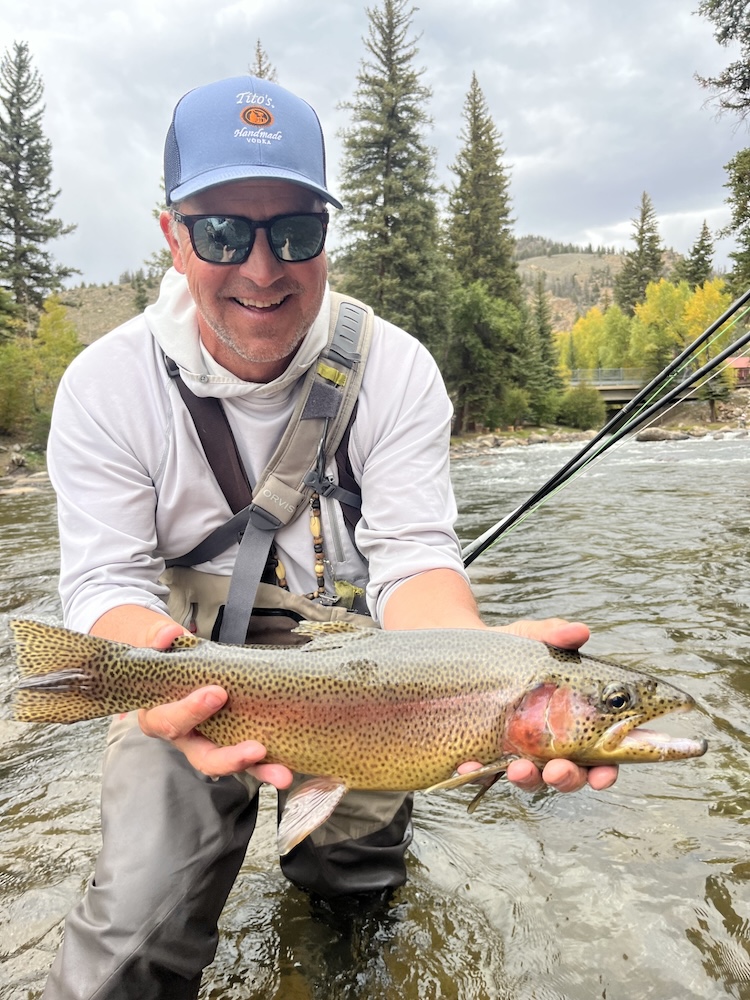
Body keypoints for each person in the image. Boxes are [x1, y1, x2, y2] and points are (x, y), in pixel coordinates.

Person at [42, 75, 617, 999]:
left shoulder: (394, 369)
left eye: (295, 232)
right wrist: (152, 685)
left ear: (325, 232)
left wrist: (479, 669)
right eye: (225, 231)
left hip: (367, 674)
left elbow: (415, 560)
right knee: (132, 938)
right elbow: (104, 585)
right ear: (173, 237)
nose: (263, 268)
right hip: (178, 660)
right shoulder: (106, 388)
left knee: (356, 896)